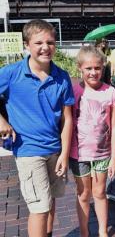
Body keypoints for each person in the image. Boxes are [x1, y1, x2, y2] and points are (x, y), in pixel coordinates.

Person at [0, 19, 74, 237]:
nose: (45, 47)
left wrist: (64, 153)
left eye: (50, 42)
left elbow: (67, 119)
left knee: (50, 201)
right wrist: (2, 121)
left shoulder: (62, 76)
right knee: (39, 208)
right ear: (27, 45)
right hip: (28, 150)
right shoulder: (12, 74)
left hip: (55, 149)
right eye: (39, 42)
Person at [69, 46, 115, 237]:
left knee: (99, 193)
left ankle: (102, 231)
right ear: (80, 68)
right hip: (79, 154)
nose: (93, 72)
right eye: (88, 68)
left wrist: (114, 157)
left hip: (103, 153)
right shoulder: (74, 91)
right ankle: (84, 232)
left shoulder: (111, 92)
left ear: (103, 68)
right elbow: (67, 123)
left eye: (97, 68)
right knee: (83, 194)